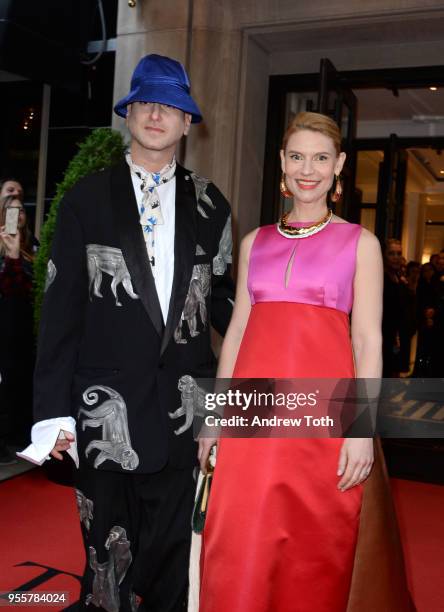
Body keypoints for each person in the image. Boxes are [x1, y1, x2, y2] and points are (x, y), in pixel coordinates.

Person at [20, 54, 234, 612]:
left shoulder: (213, 206)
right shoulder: (86, 199)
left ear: (188, 121)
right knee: (106, 574)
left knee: (172, 577)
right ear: (129, 114)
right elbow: (60, 312)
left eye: (170, 105)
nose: (156, 113)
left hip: (183, 425)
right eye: (145, 102)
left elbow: (232, 313)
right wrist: (53, 413)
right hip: (103, 425)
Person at [198, 112, 414, 612]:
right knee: (237, 540)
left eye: (320, 158)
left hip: (321, 423)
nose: (307, 169)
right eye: (297, 156)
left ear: (339, 165)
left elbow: (367, 342)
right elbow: (235, 336)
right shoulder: (254, 243)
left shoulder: (361, 245)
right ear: (282, 162)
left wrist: (361, 429)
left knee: (311, 549)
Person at [0, 195, 34, 465]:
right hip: (7, 324)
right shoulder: (4, 246)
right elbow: (11, 290)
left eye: (21, 209)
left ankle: (21, 434)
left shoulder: (32, 247)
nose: (18, 214)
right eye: (11, 210)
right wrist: (10, 254)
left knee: (24, 378)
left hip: (28, 324)